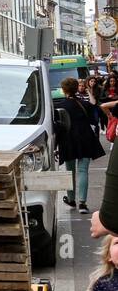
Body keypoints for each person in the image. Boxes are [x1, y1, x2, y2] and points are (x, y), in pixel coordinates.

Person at [59, 78, 104, 212]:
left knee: (70, 171)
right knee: (83, 171)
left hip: (68, 140)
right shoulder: (84, 104)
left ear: (64, 90)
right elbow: (95, 119)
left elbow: (58, 126)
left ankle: (71, 199)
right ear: (76, 88)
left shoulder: (61, 106)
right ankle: (82, 203)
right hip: (85, 138)